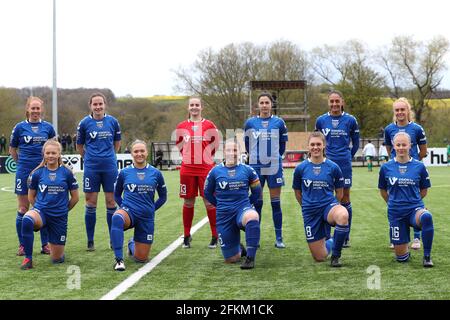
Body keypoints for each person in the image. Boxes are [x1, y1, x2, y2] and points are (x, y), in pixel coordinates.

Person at [292, 131, 350, 267]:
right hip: (310, 212)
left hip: (328, 207)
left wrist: (334, 206)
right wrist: (306, 206)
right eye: (312, 144)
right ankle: (332, 240)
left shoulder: (333, 167)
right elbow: (297, 192)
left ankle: (336, 256)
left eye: (318, 144)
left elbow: (339, 192)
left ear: (324, 146)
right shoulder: (300, 168)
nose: (315, 147)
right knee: (320, 257)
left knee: (343, 215)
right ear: (308, 147)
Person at [20, 140, 79, 269]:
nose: (50, 155)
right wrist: (38, 209)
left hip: (59, 217)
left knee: (56, 259)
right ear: (44, 154)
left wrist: (63, 210)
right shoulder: (37, 173)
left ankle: (57, 251)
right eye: (48, 153)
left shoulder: (67, 173)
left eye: (53, 153)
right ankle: (28, 259)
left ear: (59, 154)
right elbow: (31, 196)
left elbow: (75, 197)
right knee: (27, 219)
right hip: (41, 212)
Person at [378, 132, 434, 267]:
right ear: (393, 146)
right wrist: (393, 203)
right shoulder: (386, 167)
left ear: (410, 146)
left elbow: (424, 190)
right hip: (396, 213)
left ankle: (427, 257)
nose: (401, 147)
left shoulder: (419, 166)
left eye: (404, 144)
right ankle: (404, 248)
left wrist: (413, 201)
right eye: (398, 145)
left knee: (426, 217)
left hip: (414, 210)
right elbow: (383, 190)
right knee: (402, 259)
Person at [204, 139, 262, 269]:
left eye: (235, 150)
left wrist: (246, 205)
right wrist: (219, 205)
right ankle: (240, 250)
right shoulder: (214, 172)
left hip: (242, 210)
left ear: (240, 152)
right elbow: (207, 193)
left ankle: (250, 258)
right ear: (224, 152)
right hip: (224, 216)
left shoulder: (248, 170)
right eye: (229, 150)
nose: (232, 153)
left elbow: (257, 192)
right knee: (231, 259)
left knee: (252, 216)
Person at [9, 96, 56, 256]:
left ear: (41, 110)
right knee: (23, 208)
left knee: (43, 207)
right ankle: (23, 245)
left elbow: (54, 149)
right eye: (33, 108)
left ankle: (45, 245)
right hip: (23, 172)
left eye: (38, 108)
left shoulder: (48, 128)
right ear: (28, 109)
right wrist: (23, 164)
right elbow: (13, 150)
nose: (35, 111)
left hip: (43, 173)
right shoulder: (19, 127)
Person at [111, 140, 167, 271]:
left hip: (146, 216)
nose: (139, 154)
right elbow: (117, 195)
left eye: (142, 151)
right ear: (131, 154)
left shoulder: (156, 173)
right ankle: (119, 260)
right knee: (117, 218)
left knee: (141, 259)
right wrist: (124, 207)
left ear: (147, 153)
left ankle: (132, 243)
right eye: (136, 151)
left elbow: (163, 197)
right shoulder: (124, 172)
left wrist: (152, 209)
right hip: (129, 212)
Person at [76, 92, 121, 251]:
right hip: (92, 168)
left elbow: (117, 143)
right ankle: (90, 241)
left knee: (111, 202)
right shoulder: (84, 123)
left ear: (105, 105)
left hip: (110, 167)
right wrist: (89, 158)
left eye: (100, 104)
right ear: (90, 106)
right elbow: (79, 146)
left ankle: (112, 239)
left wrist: (109, 156)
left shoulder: (113, 122)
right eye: (95, 104)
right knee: (91, 203)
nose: (98, 107)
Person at [315, 90, 359, 247]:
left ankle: (345, 235)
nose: (334, 104)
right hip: (326, 165)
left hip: (344, 165)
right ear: (328, 103)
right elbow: (317, 140)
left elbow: (356, 143)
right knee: (326, 198)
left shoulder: (350, 120)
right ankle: (326, 236)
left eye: (337, 101)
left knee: (345, 198)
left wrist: (347, 156)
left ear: (342, 102)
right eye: (331, 101)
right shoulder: (321, 120)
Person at [244, 92, 288, 248]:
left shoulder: (279, 122)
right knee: (257, 203)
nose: (264, 105)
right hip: (256, 166)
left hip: (274, 166)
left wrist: (275, 157)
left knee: (275, 203)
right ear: (258, 105)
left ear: (271, 105)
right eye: (261, 103)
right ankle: (255, 239)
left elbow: (283, 145)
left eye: (267, 102)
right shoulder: (250, 123)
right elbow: (247, 144)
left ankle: (279, 238)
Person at [175, 96, 220, 249]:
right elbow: (180, 145)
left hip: (206, 169)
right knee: (188, 201)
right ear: (188, 108)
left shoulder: (209, 125)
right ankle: (186, 236)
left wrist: (204, 157)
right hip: (187, 169)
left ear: (202, 108)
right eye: (192, 105)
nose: (194, 107)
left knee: (209, 201)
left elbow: (215, 144)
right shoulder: (181, 126)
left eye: (197, 105)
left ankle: (215, 235)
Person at [384, 97, 427, 250]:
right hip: (394, 171)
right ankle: (395, 235)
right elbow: (390, 150)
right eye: (397, 110)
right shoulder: (389, 129)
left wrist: (413, 164)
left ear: (408, 111)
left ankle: (416, 238)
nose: (400, 112)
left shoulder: (416, 129)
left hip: (413, 171)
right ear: (394, 112)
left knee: (415, 199)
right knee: (394, 202)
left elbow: (423, 151)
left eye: (403, 109)